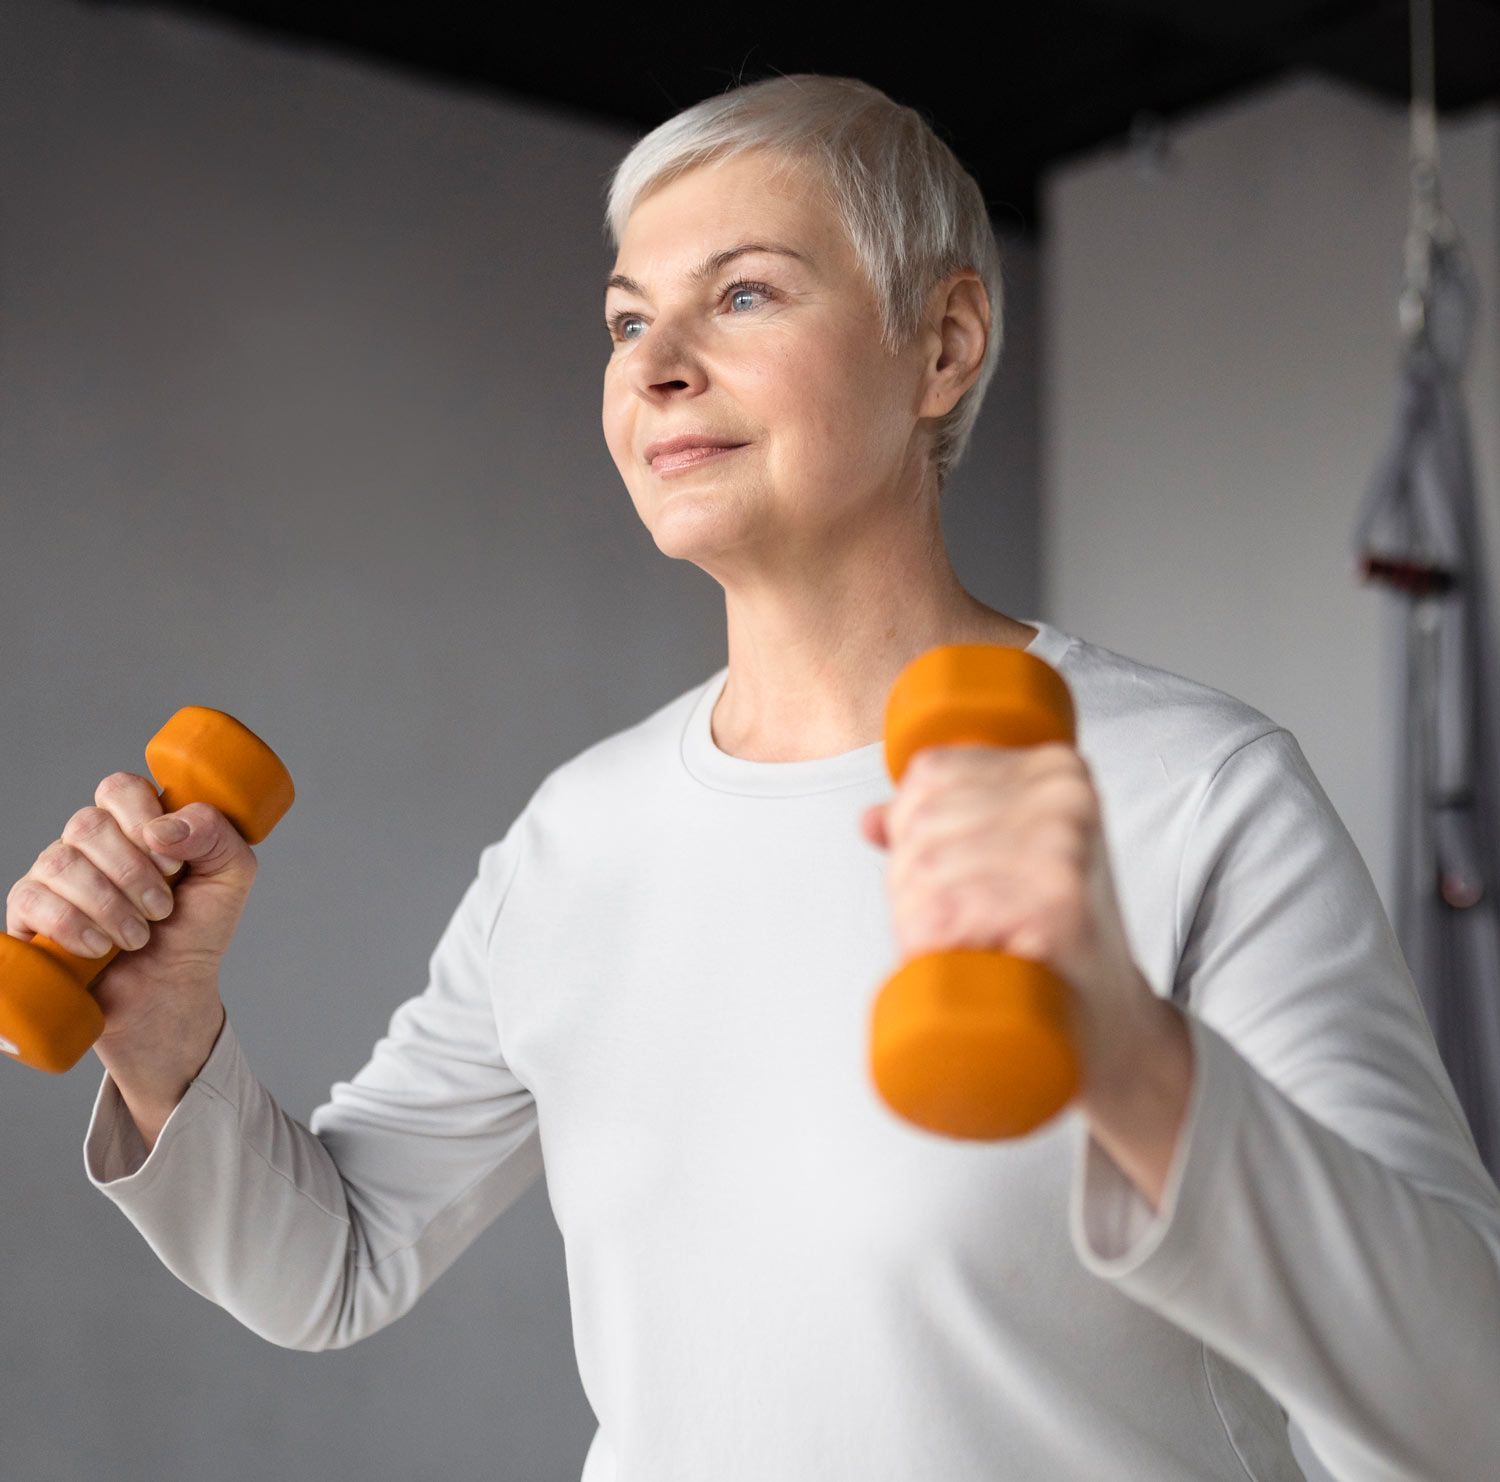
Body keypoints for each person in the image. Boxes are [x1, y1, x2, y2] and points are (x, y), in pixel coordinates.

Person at [11, 72, 1499, 1481]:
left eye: (742, 292)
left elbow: (1465, 1409)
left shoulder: (1190, 789)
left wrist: (1134, 1056)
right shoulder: (575, 837)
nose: (655, 365)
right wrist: (168, 1037)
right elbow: (329, 1263)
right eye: (623, 319)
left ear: (945, 345)